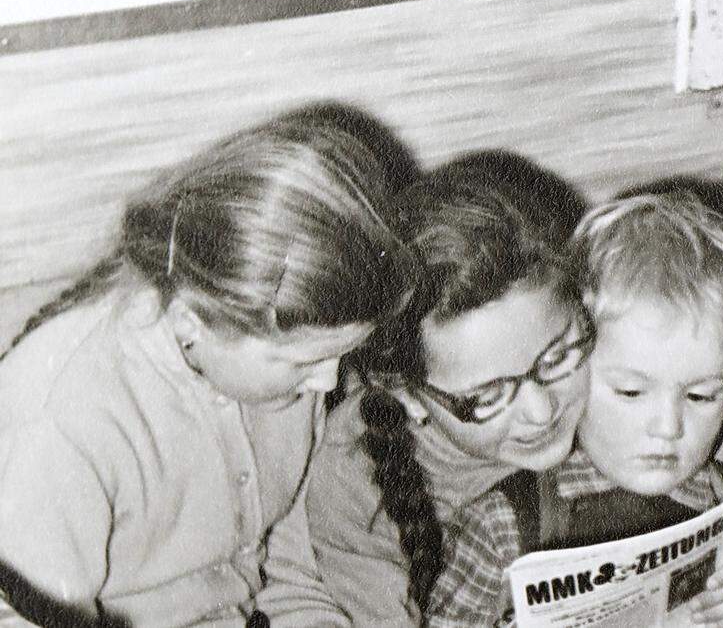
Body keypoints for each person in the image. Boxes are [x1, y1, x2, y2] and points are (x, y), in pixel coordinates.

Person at [305, 152, 723, 626]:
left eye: (556, 357)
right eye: (486, 397)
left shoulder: (659, 411)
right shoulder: (355, 468)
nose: (541, 409)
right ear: (409, 396)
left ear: (586, 316)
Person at [0, 102, 419, 627]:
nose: (329, 381)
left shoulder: (289, 368)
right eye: (303, 362)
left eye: (340, 355)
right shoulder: (63, 420)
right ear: (196, 319)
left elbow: (285, 559)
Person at [424, 191, 723, 626]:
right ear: (575, 360)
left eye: (701, 396)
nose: (668, 427)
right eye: (630, 392)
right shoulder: (500, 526)